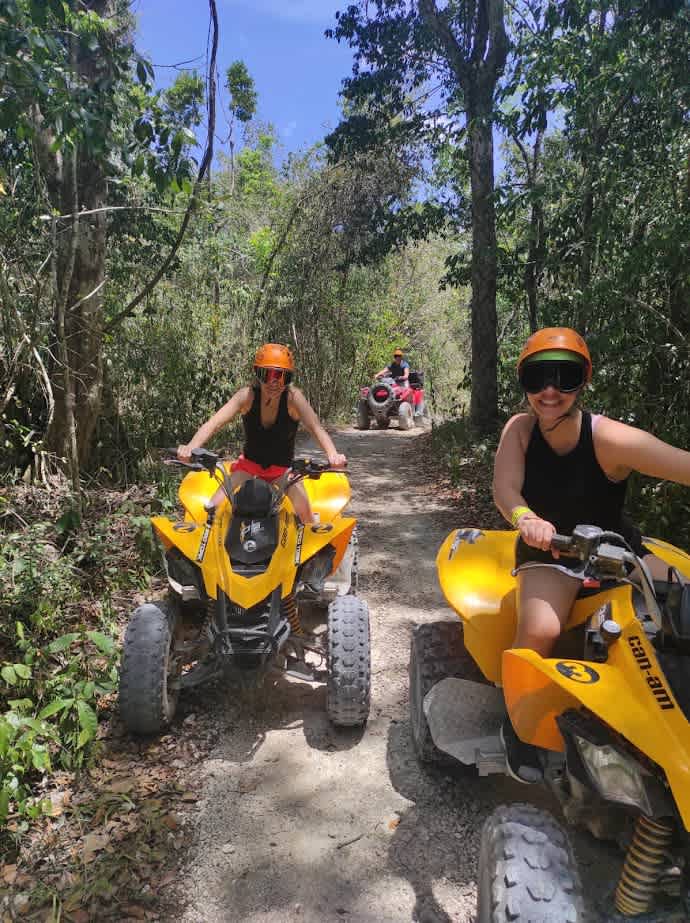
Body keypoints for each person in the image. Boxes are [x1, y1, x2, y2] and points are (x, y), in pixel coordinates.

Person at [492, 326, 690, 783]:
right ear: (524, 382)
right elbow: (505, 488)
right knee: (541, 628)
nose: (549, 391)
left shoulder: (610, 438)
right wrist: (526, 519)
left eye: (565, 376)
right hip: (550, 551)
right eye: (537, 378)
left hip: (615, 548)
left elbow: (682, 464)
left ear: (583, 380)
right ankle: (519, 719)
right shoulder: (520, 430)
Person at [177, 343, 346, 524]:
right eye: (269, 375)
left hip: (283, 470)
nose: (275, 383)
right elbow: (214, 423)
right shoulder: (246, 396)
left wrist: (333, 455)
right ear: (258, 374)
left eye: (282, 376)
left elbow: (316, 428)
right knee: (212, 508)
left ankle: (310, 548)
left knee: (306, 513)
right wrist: (191, 447)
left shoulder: (293, 399)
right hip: (248, 467)